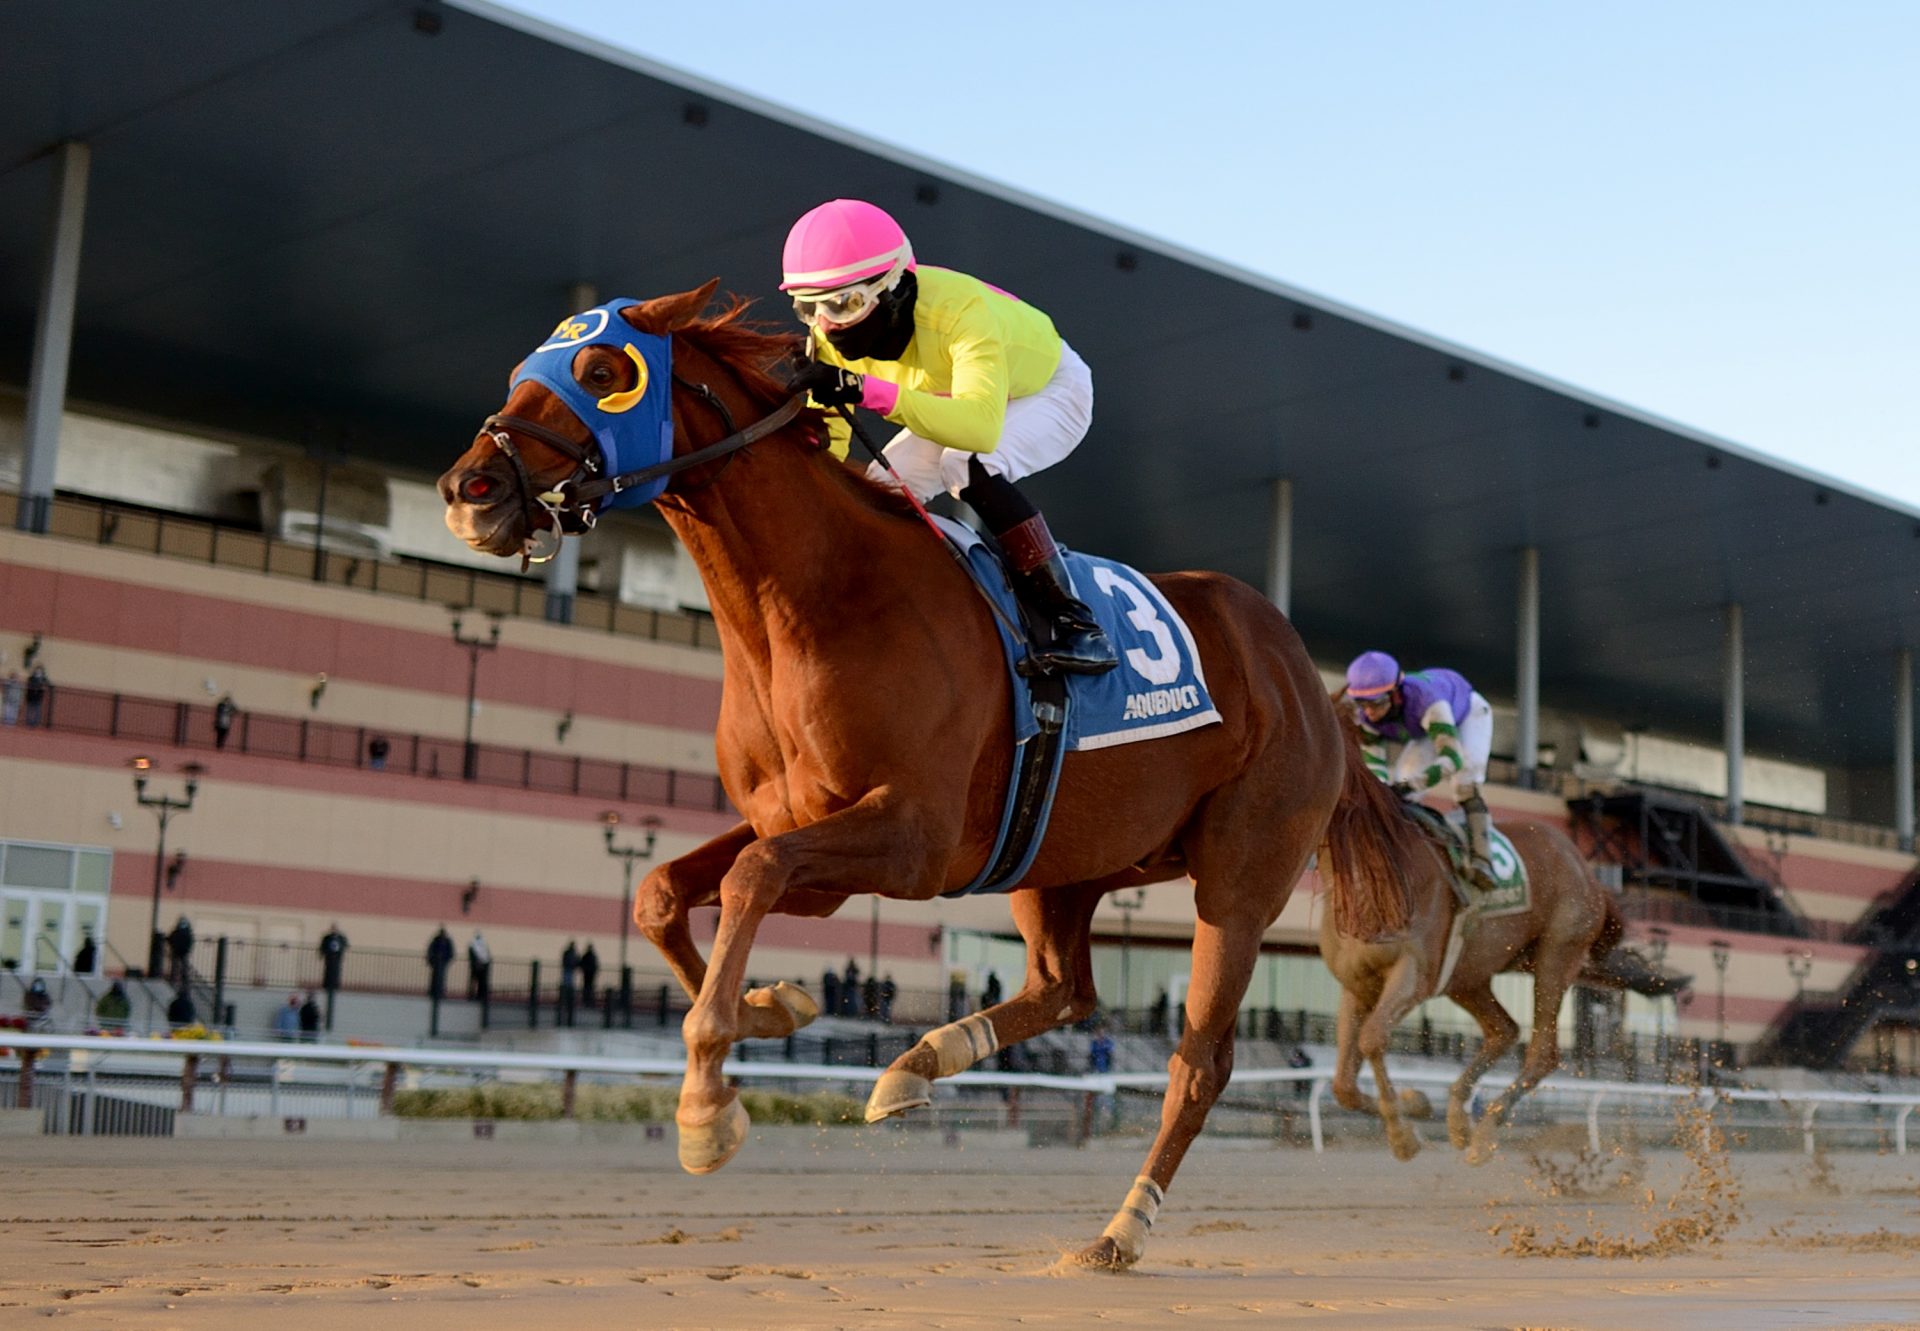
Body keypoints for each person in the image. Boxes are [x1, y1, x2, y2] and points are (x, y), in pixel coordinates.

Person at [777, 198, 1117, 675]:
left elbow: (979, 426)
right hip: (956, 397)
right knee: (881, 490)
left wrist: (864, 389)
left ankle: (1076, 623)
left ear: (895, 287)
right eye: (808, 308)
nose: (828, 326)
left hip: (1047, 391)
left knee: (965, 463)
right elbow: (830, 448)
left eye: (845, 304)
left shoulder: (962, 311)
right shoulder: (828, 335)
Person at [1343, 651, 1498, 889]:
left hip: (1468, 714)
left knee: (1464, 783)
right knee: (1398, 785)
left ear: (1395, 694)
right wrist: (1385, 789)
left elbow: (1452, 759)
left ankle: (1483, 859)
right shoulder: (1365, 717)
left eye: (1376, 702)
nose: (1370, 712)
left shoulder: (1428, 701)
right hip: (1425, 729)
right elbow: (1375, 767)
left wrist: (1412, 785)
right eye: (1362, 704)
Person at [426, 926, 455, 1002]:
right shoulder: (436, 940)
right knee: (435, 978)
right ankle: (433, 992)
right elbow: (430, 950)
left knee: (441, 978)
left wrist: (447, 960)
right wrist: (431, 960)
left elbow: (451, 953)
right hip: (436, 962)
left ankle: (440, 992)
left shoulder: (447, 941)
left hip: (443, 962)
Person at [318, 924, 349, 993]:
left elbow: (346, 945)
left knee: (336, 973)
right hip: (329, 958)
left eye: (335, 929)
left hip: (337, 959)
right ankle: (327, 986)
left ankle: (335, 986)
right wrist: (321, 954)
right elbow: (322, 946)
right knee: (328, 973)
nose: (334, 930)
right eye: (333, 928)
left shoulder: (341, 937)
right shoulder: (327, 937)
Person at [167, 915, 194, 987]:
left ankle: (178, 980)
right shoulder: (186, 932)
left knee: (180, 967)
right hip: (179, 951)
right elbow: (171, 939)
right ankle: (178, 980)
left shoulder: (182, 932)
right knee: (178, 967)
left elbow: (170, 939)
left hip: (180, 951)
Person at [558, 940, 580, 1027]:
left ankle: (567, 996)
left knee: (569, 983)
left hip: (570, 970)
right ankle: (567, 995)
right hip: (569, 970)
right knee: (568, 983)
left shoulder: (570, 953)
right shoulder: (571, 953)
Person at [467, 931, 492, 1002]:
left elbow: (472, 956)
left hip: (478, 966)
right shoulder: (483, 944)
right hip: (481, 966)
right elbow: (487, 956)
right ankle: (478, 995)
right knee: (479, 982)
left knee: (477, 981)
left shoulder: (473, 945)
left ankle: (475, 995)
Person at [578, 941, 600, 1012]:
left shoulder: (588, 956)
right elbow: (595, 966)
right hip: (589, 975)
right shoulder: (591, 956)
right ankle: (588, 1001)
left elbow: (582, 964)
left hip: (588, 975)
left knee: (588, 988)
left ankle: (588, 1001)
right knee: (589, 988)